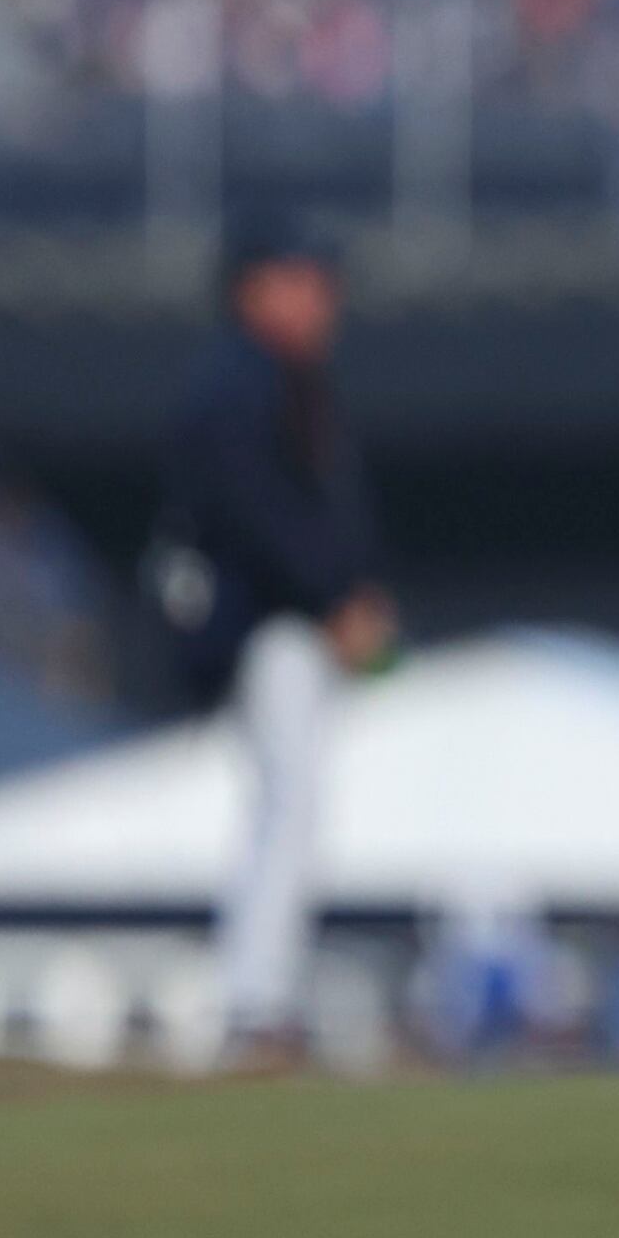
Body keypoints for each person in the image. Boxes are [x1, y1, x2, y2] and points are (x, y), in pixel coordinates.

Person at [151, 213, 396, 1066]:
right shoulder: (240, 379)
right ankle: (257, 1003)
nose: (322, 297)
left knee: (288, 805)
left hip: (284, 619)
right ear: (255, 284)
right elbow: (258, 512)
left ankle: (262, 996)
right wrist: (336, 595)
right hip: (269, 622)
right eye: (303, 278)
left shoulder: (279, 376)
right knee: (289, 802)